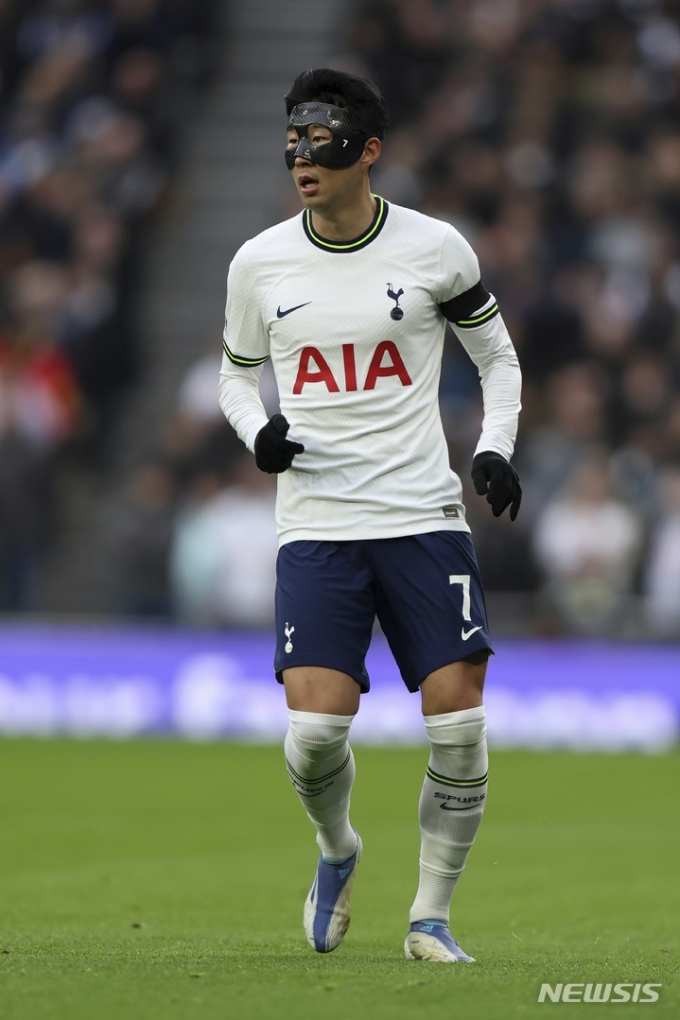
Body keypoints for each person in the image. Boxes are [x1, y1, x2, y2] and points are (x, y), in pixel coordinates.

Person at [218, 68, 522, 963]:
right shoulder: (259, 262)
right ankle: (337, 850)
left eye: (321, 142)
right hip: (316, 521)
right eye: (293, 141)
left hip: (423, 513)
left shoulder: (435, 249)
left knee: (459, 723)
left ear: (369, 152)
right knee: (314, 738)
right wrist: (257, 436)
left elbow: (497, 359)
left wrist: (494, 446)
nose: (301, 159)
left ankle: (430, 918)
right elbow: (236, 375)